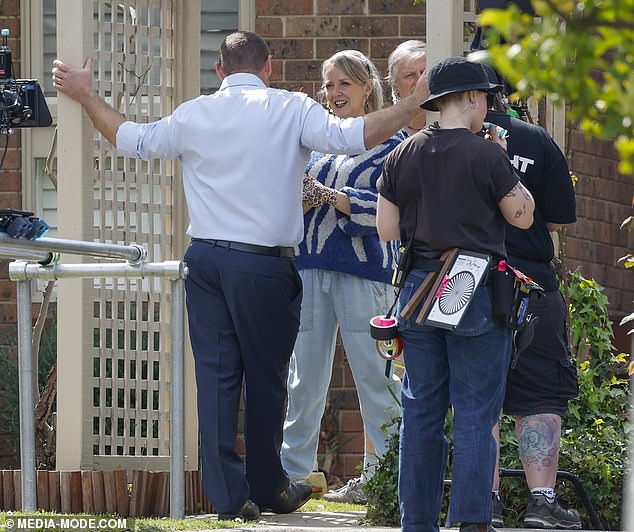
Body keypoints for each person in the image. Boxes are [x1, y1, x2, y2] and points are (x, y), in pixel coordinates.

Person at [51, 31, 430, 522]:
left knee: (216, 380)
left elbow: (132, 139)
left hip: (205, 261)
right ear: (270, 67)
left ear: (220, 73)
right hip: (265, 263)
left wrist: (85, 94)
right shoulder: (291, 108)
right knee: (268, 379)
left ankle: (230, 499)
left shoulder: (194, 113)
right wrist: (414, 105)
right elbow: (353, 135)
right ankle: (270, 485)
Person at [376, 56, 535, 532]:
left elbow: (386, 229)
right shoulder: (485, 153)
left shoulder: (402, 153)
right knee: (473, 412)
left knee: (422, 408)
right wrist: (502, 161)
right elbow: (522, 216)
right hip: (473, 285)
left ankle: (417, 523)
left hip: (416, 290)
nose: (487, 105)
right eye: (485, 96)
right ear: (468, 98)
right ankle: (471, 522)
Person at [281, 50, 403, 504]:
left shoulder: (391, 145)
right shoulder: (312, 144)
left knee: (376, 377)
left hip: (364, 271)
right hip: (309, 268)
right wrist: (300, 198)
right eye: (328, 86)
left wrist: (332, 196)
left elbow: (389, 216)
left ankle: (386, 480)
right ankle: (292, 476)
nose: (334, 95)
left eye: (343, 85)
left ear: (366, 88)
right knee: (304, 379)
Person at [483, 71, 581, 530]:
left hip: (464, 285)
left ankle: (485, 500)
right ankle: (541, 501)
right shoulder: (535, 139)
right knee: (539, 393)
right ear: (503, 93)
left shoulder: (436, 144)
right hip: (530, 283)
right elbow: (559, 221)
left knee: (474, 392)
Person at [386, 40, 428, 137]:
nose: (419, 81)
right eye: (410, 75)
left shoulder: (448, 127)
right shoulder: (384, 133)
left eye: (424, 73)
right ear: (395, 85)